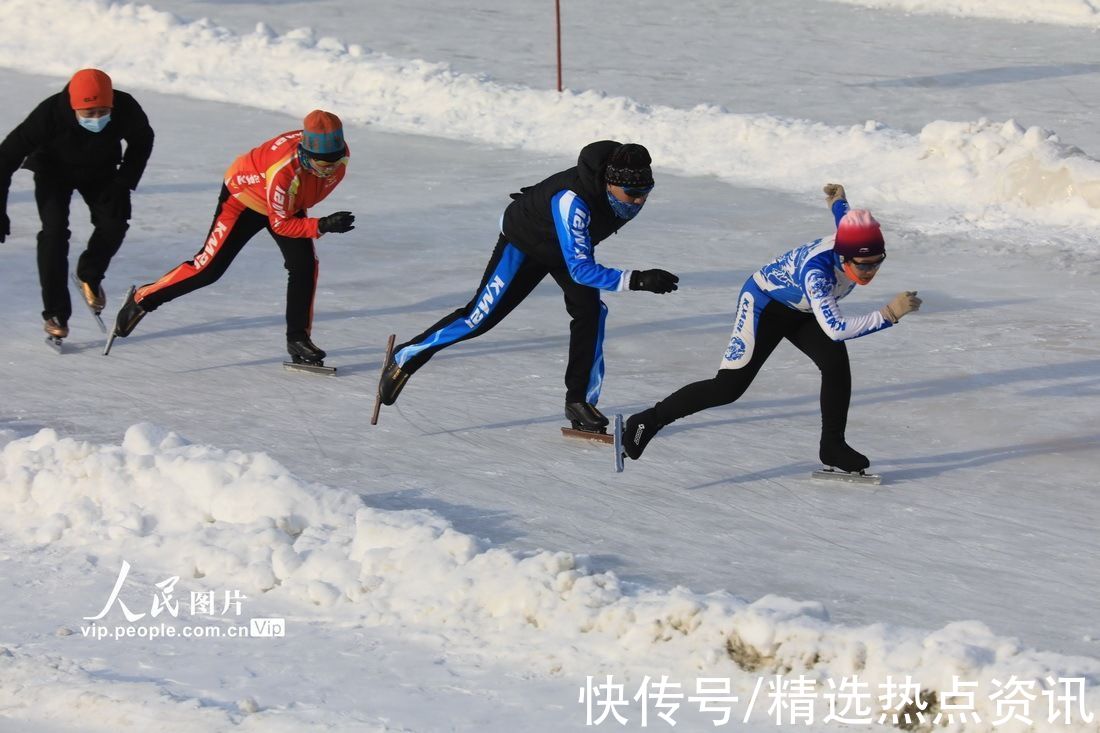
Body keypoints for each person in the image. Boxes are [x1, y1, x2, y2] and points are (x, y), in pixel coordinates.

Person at [377, 140, 680, 431]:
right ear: (610, 184)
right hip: (524, 242)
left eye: (646, 192)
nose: (640, 200)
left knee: (591, 312)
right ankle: (407, 356)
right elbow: (582, 271)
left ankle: (579, 401)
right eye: (633, 193)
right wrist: (637, 279)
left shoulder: (617, 191)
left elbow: (577, 253)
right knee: (478, 318)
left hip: (563, 248)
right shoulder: (572, 201)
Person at [622, 184, 922, 472]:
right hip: (765, 303)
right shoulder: (817, 274)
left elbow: (847, 219)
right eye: (863, 265)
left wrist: (838, 202)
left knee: (836, 366)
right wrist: (889, 314)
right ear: (843, 256)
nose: (870, 271)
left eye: (877, 263)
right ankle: (648, 420)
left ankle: (832, 445)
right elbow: (836, 328)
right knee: (728, 387)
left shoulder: (850, 237)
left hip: (803, 308)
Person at [110, 110, 356, 364]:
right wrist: (323, 225)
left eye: (334, 164)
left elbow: (299, 198)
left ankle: (297, 339)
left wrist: (314, 215)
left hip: (286, 202)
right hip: (245, 197)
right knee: (208, 268)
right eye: (323, 165)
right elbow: (281, 225)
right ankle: (144, 298)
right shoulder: (283, 171)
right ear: (305, 154)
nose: (329, 171)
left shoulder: (341, 155)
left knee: (304, 265)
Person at [0, 68, 154, 339]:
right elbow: (5, 160)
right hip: (53, 172)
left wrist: (124, 181)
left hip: (102, 170)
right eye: (88, 113)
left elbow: (143, 140)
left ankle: (89, 273)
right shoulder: (48, 115)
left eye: (103, 111)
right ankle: (55, 313)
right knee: (54, 233)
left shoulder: (126, 107)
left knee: (115, 223)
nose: (96, 118)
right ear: (73, 106)